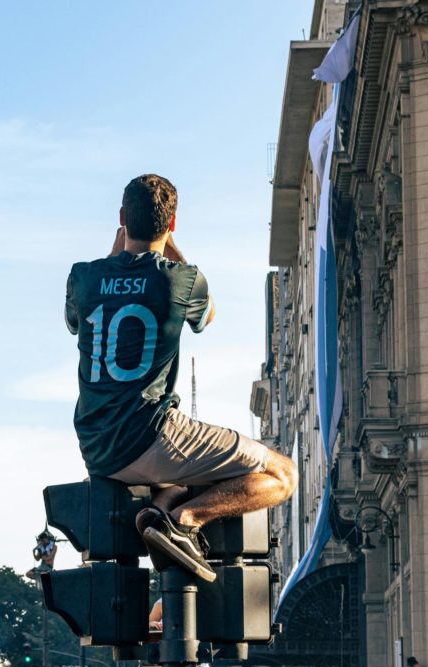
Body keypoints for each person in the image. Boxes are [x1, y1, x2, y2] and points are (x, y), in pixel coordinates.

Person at [65, 174, 297, 582]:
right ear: (172, 224)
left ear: (121, 218)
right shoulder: (181, 278)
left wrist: (117, 255)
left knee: (180, 477)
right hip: (151, 436)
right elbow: (206, 317)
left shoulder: (83, 277)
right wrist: (170, 247)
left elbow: (74, 321)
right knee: (282, 473)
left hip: (96, 447)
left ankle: (167, 504)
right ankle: (184, 521)